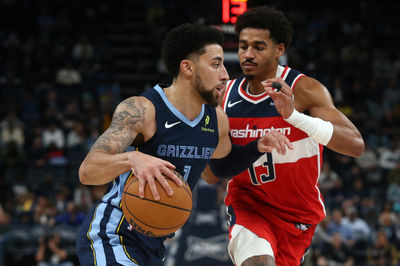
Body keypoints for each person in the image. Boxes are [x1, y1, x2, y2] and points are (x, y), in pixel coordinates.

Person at [76, 23, 292, 266]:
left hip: (154, 245)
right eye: (216, 64)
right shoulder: (142, 109)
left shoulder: (217, 120)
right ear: (187, 68)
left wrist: (256, 147)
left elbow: (221, 167)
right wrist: (132, 158)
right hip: (113, 234)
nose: (225, 75)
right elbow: (88, 171)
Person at [202, 6, 365, 266]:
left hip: (297, 216)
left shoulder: (305, 90)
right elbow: (211, 175)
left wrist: (294, 117)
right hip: (248, 204)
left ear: (279, 49)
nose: (248, 54)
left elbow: (356, 145)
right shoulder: (224, 98)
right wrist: (211, 142)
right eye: (243, 46)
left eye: (258, 47)